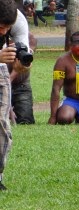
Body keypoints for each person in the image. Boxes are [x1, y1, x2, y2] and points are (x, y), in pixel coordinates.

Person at [0, 0, 31, 190]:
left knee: (2, 125)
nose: (4, 32)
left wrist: (22, 65)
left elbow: (24, 49)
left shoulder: (18, 21)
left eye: (7, 28)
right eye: (0, 27)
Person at [9, 32, 37, 124]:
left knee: (26, 121)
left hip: (21, 86)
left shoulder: (27, 37)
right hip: (3, 84)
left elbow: (32, 41)